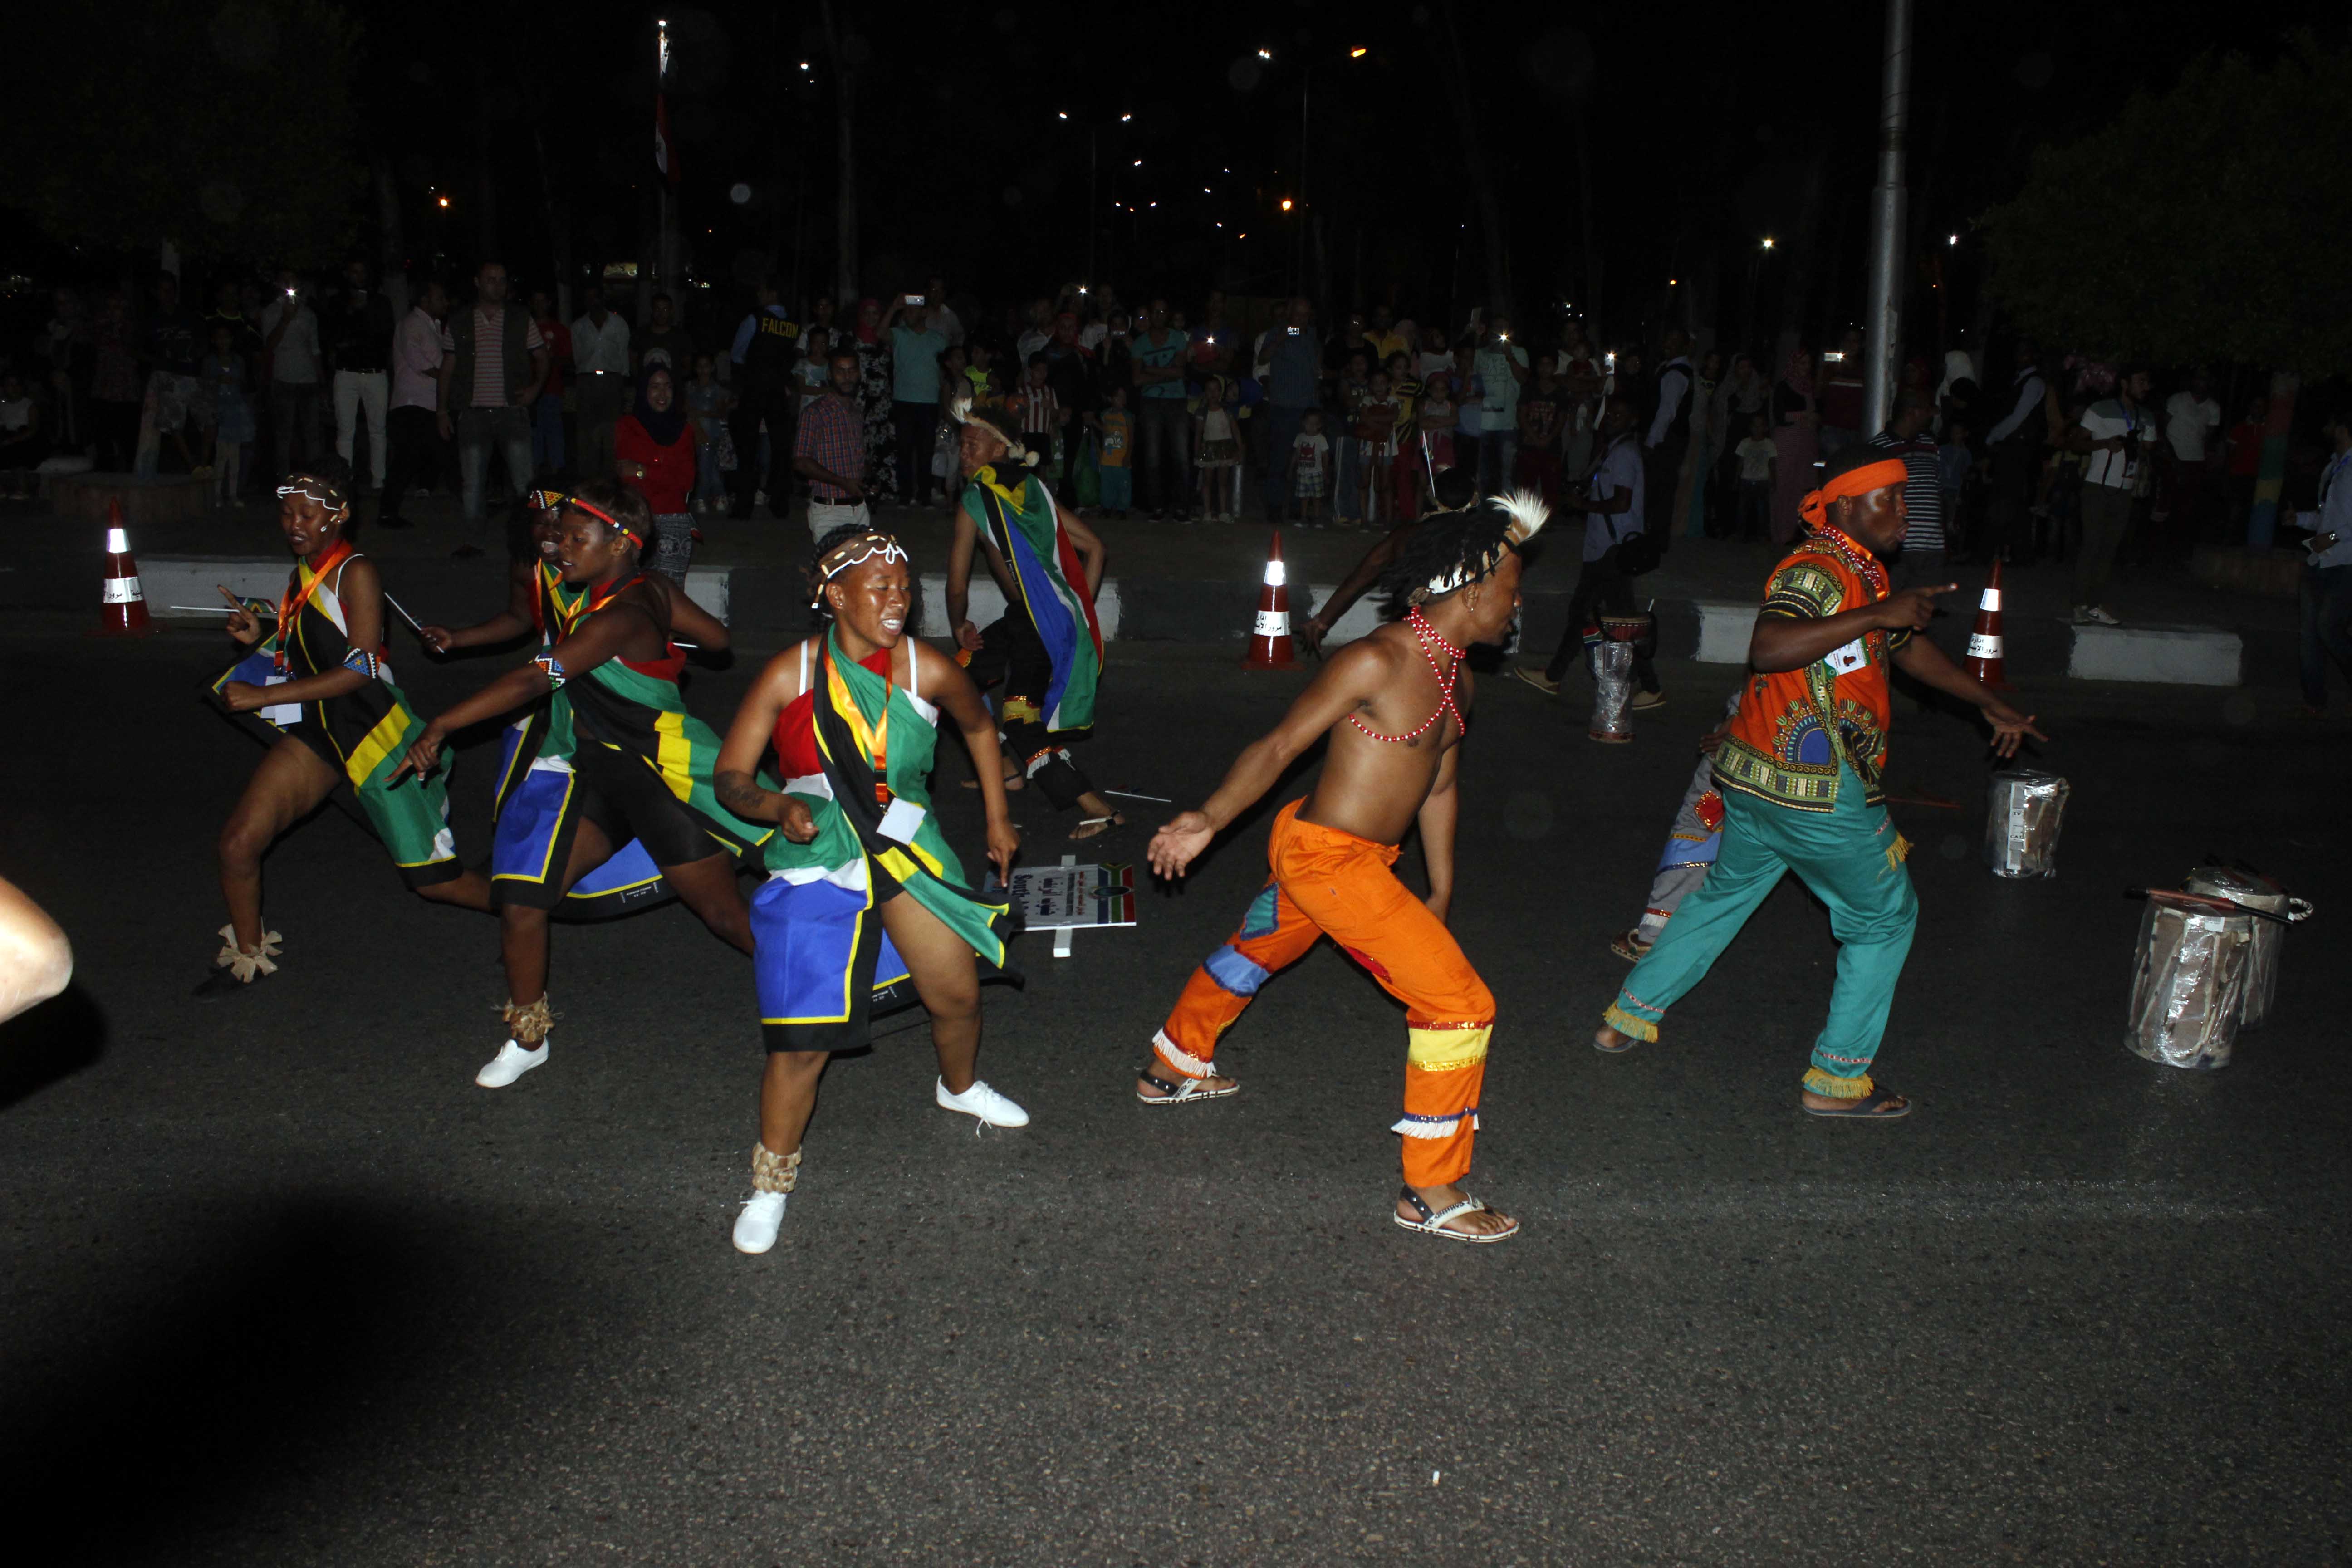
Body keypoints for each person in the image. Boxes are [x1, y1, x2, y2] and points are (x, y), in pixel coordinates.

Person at [1140, 493, 1553, 1243]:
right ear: (1472, 588)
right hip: (1324, 859)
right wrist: (1206, 818)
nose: (1517, 605)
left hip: (1356, 863)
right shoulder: (1378, 658)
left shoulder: (1457, 679)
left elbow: (1439, 783)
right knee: (1458, 1003)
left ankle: (1173, 1062)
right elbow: (1277, 747)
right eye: (1512, 589)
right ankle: (1429, 1190)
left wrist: (1440, 884)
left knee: (1255, 949)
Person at [1592, 446, 2045, 1113]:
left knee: (1722, 897)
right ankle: (1836, 1082)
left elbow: (1903, 646)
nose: (1903, 511)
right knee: (1885, 919)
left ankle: (1627, 1017)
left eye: (1903, 499)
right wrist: (1876, 616)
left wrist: (1985, 702)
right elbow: (1770, 646)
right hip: (1815, 791)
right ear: (1842, 507)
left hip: (1752, 778)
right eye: (1886, 499)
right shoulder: (1817, 569)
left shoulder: (1860, 570)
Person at [392, 482, 772, 1088]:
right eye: (558, 534)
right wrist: (667, 641)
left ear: (621, 543)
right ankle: (528, 1036)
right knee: (522, 898)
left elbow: (532, 681)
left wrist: (443, 722)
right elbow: (720, 641)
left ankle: (817, 993)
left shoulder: (619, 616)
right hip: (599, 774)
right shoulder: (642, 593)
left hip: (658, 783)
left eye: (575, 538)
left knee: (728, 919)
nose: (558, 546)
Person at [712, 526, 1027, 1254]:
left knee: (958, 995)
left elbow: (981, 729)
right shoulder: (789, 675)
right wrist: (776, 806)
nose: (898, 600)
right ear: (833, 596)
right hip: (817, 849)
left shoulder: (929, 669)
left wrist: (998, 816)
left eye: (903, 586)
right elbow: (730, 778)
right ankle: (770, 1182)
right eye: (879, 587)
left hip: (908, 843)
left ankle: (958, 1086)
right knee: (801, 1043)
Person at [203, 460, 492, 995]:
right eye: (288, 512)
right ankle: (248, 953)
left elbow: (359, 667)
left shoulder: (355, 571)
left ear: (340, 515)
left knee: (436, 882)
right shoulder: (305, 573)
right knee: (239, 843)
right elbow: (312, 651)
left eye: (308, 514)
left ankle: (526, 905)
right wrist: (259, 637)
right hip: (320, 732)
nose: (295, 523)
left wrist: (266, 696)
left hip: (369, 731)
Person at [944, 398, 1125, 839]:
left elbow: (956, 584)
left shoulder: (977, 497)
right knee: (958, 680)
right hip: (1033, 621)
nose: (964, 453)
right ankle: (1009, 768)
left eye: (973, 444)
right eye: (961, 444)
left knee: (1020, 720)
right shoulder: (1034, 489)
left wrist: (958, 625)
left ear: (999, 451)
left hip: (1038, 628)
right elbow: (1095, 549)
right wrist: (1076, 611)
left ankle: (1096, 808)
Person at [1523, 399, 1662, 709]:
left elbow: (1622, 502)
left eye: (1619, 414)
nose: (1612, 418)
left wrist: (1583, 506)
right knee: (1611, 618)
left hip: (1611, 550)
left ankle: (1555, 676)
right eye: (1610, 413)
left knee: (1595, 615)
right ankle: (1557, 675)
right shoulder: (1615, 449)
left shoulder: (1624, 454)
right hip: (1607, 547)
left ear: (1633, 419)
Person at [1611, 691, 1743, 962]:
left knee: (1698, 827)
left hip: (1761, 734)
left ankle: (1656, 935)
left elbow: (1766, 666)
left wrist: (1740, 717)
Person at [437, 262, 547, 555]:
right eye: (491, 280)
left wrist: (535, 389)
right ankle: (474, 539)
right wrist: (442, 411)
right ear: (477, 282)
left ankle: (530, 539)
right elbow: (448, 367)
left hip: (511, 411)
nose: (497, 286)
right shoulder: (460, 320)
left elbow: (541, 356)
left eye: (502, 280)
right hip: (472, 413)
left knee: (524, 481)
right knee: (473, 483)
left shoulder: (520, 317)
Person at [2066, 366, 2156, 627]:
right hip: (2097, 487)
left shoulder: (2147, 416)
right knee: (2091, 545)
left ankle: (2095, 604)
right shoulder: (2100, 409)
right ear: (2125, 384)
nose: (2146, 387)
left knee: (2109, 549)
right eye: (2141, 381)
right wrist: (2105, 444)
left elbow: (2150, 449)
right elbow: (2075, 443)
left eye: (2147, 382)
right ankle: (2079, 604)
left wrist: (2139, 445)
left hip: (2125, 490)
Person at [728, 275, 801, 519]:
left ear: (772, 294)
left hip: (754, 389)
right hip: (778, 391)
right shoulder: (793, 324)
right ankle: (780, 503)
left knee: (747, 449)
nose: (758, 295)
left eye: (762, 291)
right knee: (781, 448)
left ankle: (744, 505)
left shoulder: (755, 319)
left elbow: (738, 354)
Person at [615, 365, 698, 580]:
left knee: (667, 599)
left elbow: (687, 481)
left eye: (668, 387)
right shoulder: (628, 426)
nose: (663, 394)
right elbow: (625, 473)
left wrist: (642, 469)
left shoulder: (685, 430)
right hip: (635, 520)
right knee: (634, 599)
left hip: (673, 520)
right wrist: (665, 468)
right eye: (655, 387)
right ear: (644, 391)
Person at [382, 278, 449, 531]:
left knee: (431, 455)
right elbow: (423, 364)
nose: (445, 303)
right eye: (440, 298)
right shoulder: (411, 325)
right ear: (424, 300)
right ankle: (387, 513)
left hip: (429, 404)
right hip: (412, 404)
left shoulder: (433, 326)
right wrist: (451, 378)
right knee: (406, 459)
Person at [321, 260, 394, 492]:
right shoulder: (337, 303)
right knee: (345, 430)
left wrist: (365, 316)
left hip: (375, 374)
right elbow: (333, 338)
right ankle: (344, 481)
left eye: (363, 272)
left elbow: (385, 336)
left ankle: (379, 480)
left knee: (378, 429)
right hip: (346, 374)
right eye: (354, 271)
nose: (359, 276)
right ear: (347, 273)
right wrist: (353, 314)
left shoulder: (381, 302)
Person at [2298, 411, 2352, 716]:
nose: (2327, 427)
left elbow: (2340, 528)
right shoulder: (2335, 467)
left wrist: (2331, 537)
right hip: (2320, 558)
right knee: (2309, 634)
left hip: (2346, 562)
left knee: (2328, 627)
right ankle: (2314, 700)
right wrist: (2302, 520)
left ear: (2344, 429)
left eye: (2332, 423)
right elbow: (2328, 519)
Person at [1252, 297, 1323, 521]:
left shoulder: (1311, 334)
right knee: (1280, 458)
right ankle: (1274, 506)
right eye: (1298, 314)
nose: (1302, 319)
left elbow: (1314, 367)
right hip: (1284, 406)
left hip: (1307, 408)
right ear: (1289, 314)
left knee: (1304, 460)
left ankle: (1296, 507)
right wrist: (1280, 339)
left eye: (1305, 314)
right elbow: (1262, 359)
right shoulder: (1278, 332)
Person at [793, 346, 871, 543]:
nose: (847, 377)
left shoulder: (856, 412)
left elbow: (858, 457)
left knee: (859, 572)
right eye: (840, 371)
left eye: (852, 370)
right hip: (829, 510)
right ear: (830, 375)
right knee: (834, 572)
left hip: (859, 509)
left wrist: (867, 479)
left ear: (859, 373)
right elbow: (801, 462)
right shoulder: (815, 413)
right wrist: (843, 482)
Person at [1870, 389, 1947, 587]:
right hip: (1897, 548)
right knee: (1890, 610)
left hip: (1932, 547)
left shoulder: (1930, 446)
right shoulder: (1877, 448)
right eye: (1927, 409)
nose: (1932, 414)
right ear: (1913, 412)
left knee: (1922, 613)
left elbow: (1938, 493)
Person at [1980, 340, 2047, 565]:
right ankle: (2016, 553)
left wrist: (1994, 436)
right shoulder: (2020, 381)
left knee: (2008, 500)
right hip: (2013, 446)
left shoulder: (2034, 382)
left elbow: (2018, 417)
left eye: (2024, 354)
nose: (2019, 358)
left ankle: (2003, 552)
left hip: (2018, 447)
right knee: (2011, 501)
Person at [135, 273, 205, 479]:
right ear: (156, 293)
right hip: (165, 379)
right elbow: (135, 348)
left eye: (171, 290)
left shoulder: (190, 316)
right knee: (172, 425)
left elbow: (202, 344)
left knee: (197, 424)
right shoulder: (151, 321)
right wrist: (155, 361)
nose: (168, 294)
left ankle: (200, 465)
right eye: (163, 290)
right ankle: (188, 465)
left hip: (190, 376)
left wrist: (194, 355)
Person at [882, 294, 947, 505]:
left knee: (926, 452)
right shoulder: (899, 334)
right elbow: (879, 334)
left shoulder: (937, 339)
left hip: (929, 402)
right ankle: (905, 494)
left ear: (924, 312)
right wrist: (893, 308)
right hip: (903, 401)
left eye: (912, 310)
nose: (908, 314)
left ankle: (925, 495)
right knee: (904, 450)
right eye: (906, 311)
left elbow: (947, 366)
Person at [259, 272, 324, 481]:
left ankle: (314, 479)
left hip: (309, 382)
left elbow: (315, 350)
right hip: (283, 380)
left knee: (312, 434)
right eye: (285, 282)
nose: (290, 286)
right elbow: (268, 346)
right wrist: (285, 320)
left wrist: (321, 381)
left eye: (294, 283)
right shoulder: (270, 312)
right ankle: (283, 481)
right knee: (284, 435)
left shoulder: (308, 314)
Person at [1131, 298, 1192, 520]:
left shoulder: (1178, 338)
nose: (1158, 316)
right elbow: (1137, 380)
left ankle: (1182, 507)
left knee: (1181, 456)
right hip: (1150, 403)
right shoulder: (1140, 343)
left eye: (1162, 312)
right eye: (1155, 312)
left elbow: (1180, 372)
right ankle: (1157, 506)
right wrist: (1167, 371)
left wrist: (1150, 370)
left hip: (1176, 401)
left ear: (1167, 315)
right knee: (1153, 457)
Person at [570, 283, 632, 485]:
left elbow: (624, 353)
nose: (593, 302)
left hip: (612, 380)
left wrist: (622, 381)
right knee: (587, 433)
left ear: (602, 299)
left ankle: (611, 479)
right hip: (587, 381)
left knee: (612, 432)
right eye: (588, 298)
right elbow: (577, 356)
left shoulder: (618, 323)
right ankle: (588, 480)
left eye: (596, 297)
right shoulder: (579, 326)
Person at [1644, 329, 1695, 549]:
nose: (1669, 345)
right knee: (1661, 488)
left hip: (1667, 440)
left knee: (1658, 488)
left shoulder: (1676, 373)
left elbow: (1667, 412)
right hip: (1671, 439)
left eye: (1675, 341)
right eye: (1668, 340)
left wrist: (1651, 442)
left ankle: (1654, 538)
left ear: (1685, 347)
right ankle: (1656, 537)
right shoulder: (1668, 368)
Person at [2161, 372, 2222, 554]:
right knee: (2166, 497)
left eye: (2204, 379)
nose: (2200, 383)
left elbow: (2208, 436)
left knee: (2189, 502)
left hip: (2195, 460)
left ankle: (2181, 542)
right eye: (2197, 378)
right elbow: (2163, 425)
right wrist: (2168, 451)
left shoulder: (2213, 408)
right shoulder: (2177, 399)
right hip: (2172, 456)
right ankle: (2160, 538)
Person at [1472, 316, 1530, 495]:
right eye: (1497, 328)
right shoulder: (1479, 353)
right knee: (1482, 471)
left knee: (1507, 473)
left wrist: (1510, 357)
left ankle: (1507, 513)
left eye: (1505, 329)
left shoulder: (1519, 352)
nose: (1500, 332)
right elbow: (1472, 381)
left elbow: (1524, 380)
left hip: (1508, 423)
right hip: (1482, 422)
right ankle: (1481, 509)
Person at [201, 324, 255, 507]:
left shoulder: (238, 361)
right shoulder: (210, 362)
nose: (224, 341)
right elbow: (204, 385)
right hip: (218, 413)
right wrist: (217, 382)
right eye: (219, 337)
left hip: (236, 414)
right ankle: (216, 495)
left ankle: (232, 494)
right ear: (214, 340)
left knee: (235, 458)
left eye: (227, 337)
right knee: (220, 457)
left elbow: (245, 383)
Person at [1769, 350, 1819, 545]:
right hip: (1787, 441)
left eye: (1808, 363)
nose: (1805, 367)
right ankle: (1780, 534)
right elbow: (1780, 415)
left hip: (1806, 442)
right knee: (1783, 486)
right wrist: (1805, 416)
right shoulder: (1783, 387)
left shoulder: (1811, 387)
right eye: (1801, 363)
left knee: (1803, 488)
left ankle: (1796, 534)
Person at [850, 298, 897, 505]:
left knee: (882, 448)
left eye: (875, 314)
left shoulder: (886, 340)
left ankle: (883, 491)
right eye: (867, 313)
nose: (871, 318)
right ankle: (857, 488)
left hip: (882, 404)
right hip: (859, 401)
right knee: (860, 447)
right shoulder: (850, 340)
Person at [527, 288, 573, 479]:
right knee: (533, 433)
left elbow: (568, 359)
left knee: (554, 431)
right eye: (535, 301)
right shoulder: (525, 328)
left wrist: (550, 360)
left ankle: (557, 474)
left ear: (548, 304)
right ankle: (534, 474)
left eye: (542, 301)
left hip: (552, 389)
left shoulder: (559, 330)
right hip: (529, 391)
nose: (539, 305)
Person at [683, 352, 734, 514]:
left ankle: (701, 497)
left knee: (707, 466)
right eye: (699, 366)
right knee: (708, 466)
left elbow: (720, 412)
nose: (703, 370)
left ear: (712, 368)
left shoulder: (716, 389)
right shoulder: (690, 387)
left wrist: (701, 413)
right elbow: (686, 408)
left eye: (706, 366)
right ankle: (720, 495)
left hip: (711, 433)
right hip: (694, 432)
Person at [1195, 374, 1242, 522]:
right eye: (1209, 390)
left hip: (1225, 449)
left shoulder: (1228, 411)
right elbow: (1198, 434)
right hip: (1209, 449)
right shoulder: (1202, 412)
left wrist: (1240, 448)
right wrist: (1197, 452)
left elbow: (1235, 431)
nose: (1213, 393)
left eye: (1216, 390)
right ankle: (1208, 512)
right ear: (1205, 393)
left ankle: (1223, 512)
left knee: (1223, 482)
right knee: (1207, 481)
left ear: (1221, 392)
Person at [1091, 382, 1134, 518]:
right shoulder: (1105, 415)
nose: (1122, 400)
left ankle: (1122, 509)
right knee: (1107, 485)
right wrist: (1093, 421)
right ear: (1111, 399)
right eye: (1119, 397)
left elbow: (1132, 437)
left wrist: (1128, 456)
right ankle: (1107, 507)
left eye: (1124, 397)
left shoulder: (1128, 416)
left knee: (1124, 485)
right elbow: (1105, 431)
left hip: (1122, 458)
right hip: (1108, 458)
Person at [1733, 412, 1775, 540]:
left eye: (1760, 426)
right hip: (1746, 480)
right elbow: (1740, 462)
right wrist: (1736, 479)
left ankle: (1762, 535)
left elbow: (1772, 464)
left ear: (1765, 428)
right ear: (1750, 427)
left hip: (1762, 481)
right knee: (1742, 509)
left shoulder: (1769, 444)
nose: (1757, 429)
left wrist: (1773, 480)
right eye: (1755, 426)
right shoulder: (1745, 443)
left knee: (1762, 509)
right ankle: (1740, 533)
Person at [633, 291, 694, 379]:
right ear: (652, 310)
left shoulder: (681, 336)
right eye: (657, 309)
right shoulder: (640, 334)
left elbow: (687, 365)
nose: (661, 314)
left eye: (665, 310)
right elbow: (633, 361)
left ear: (671, 311)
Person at [1289, 407, 1331, 525]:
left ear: (1320, 425)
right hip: (1302, 472)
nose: (1312, 426)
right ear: (1303, 423)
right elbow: (1296, 454)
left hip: (1316, 472)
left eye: (1315, 424)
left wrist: (1325, 472)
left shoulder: (1321, 439)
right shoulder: (1300, 437)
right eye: (1309, 423)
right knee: (1304, 497)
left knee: (1317, 497)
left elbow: (1326, 456)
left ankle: (1317, 518)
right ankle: (1303, 518)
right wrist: (1291, 469)